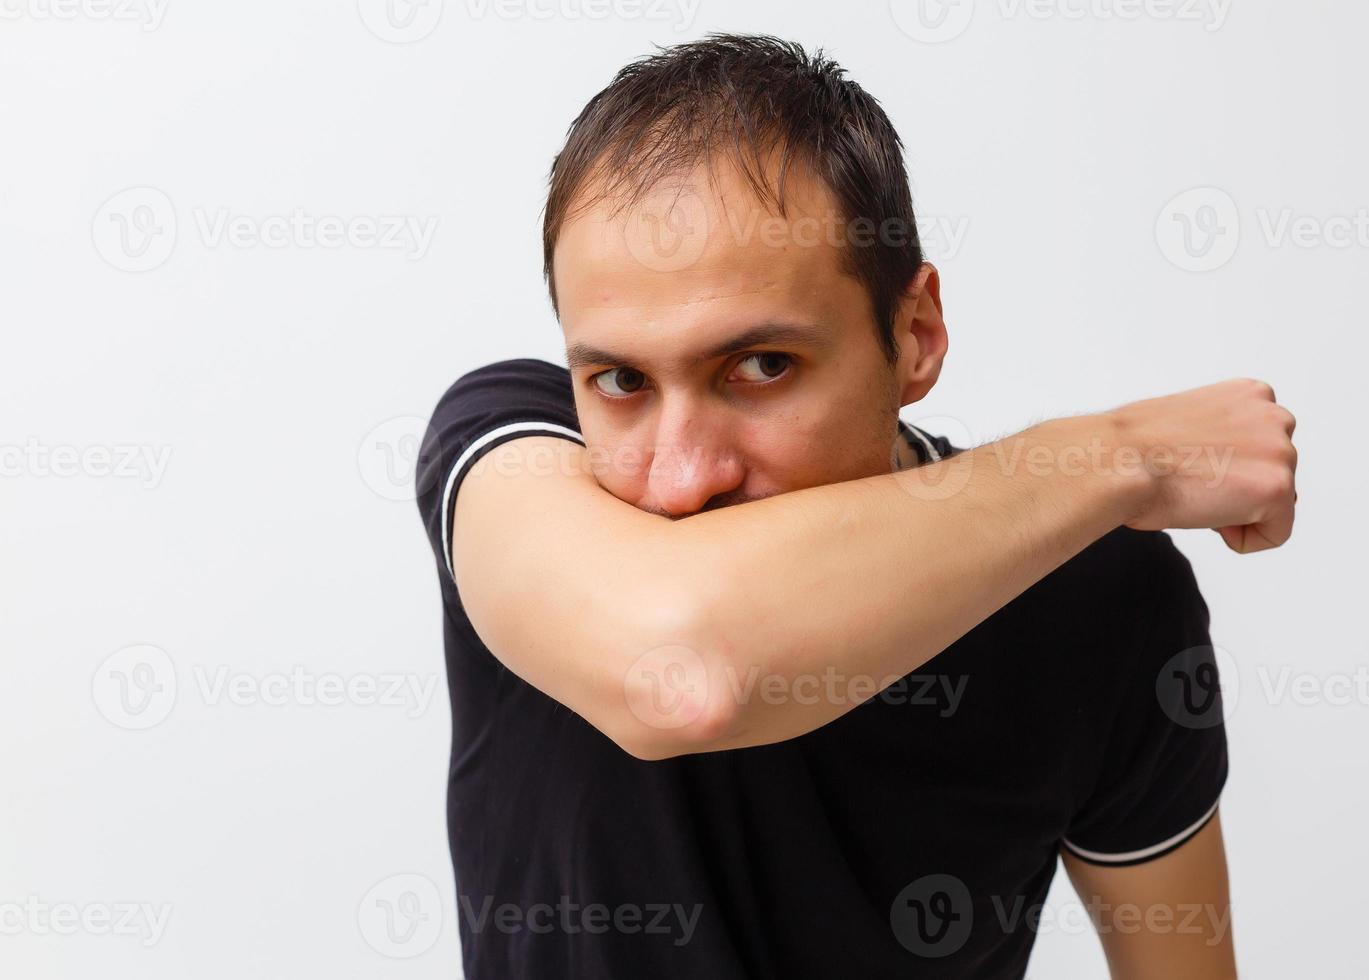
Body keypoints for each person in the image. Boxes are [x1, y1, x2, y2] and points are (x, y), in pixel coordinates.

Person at [415, 33, 1295, 980]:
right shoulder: (516, 450)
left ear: (915, 333)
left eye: (761, 367)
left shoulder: (1098, 590)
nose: (678, 478)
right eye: (622, 379)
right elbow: (682, 672)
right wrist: (1127, 451)